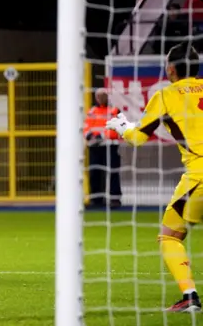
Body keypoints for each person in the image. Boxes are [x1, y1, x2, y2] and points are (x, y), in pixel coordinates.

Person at [106, 43, 203, 312]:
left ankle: (190, 297)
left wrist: (122, 126)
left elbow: (138, 138)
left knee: (169, 237)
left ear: (170, 68)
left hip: (199, 177)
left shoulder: (166, 95)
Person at [83, 87, 122, 208]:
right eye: (98, 96)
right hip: (95, 147)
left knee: (113, 172)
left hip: (110, 146)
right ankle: (96, 199)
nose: (100, 98)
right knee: (95, 173)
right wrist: (89, 135)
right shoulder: (92, 111)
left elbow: (118, 129)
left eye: (103, 96)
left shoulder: (114, 111)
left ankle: (115, 199)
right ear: (96, 98)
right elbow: (86, 127)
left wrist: (102, 135)